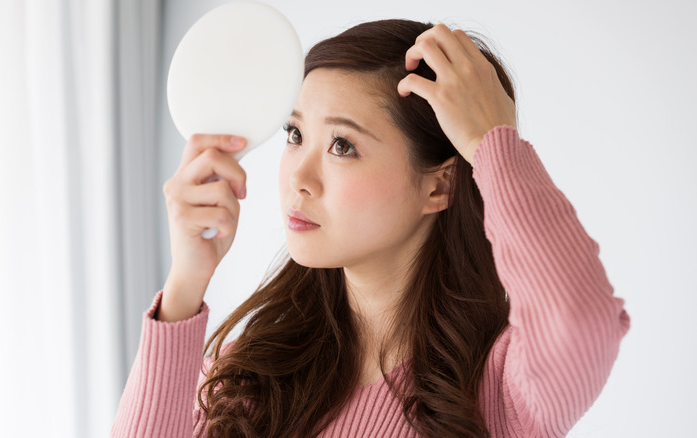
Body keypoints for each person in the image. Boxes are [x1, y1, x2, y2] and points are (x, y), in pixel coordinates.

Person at [111, 19, 631, 438]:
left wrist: (492, 144)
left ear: (439, 186)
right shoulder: (252, 373)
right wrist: (184, 286)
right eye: (295, 133)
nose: (299, 178)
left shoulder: (499, 393)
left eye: (343, 145)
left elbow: (581, 323)